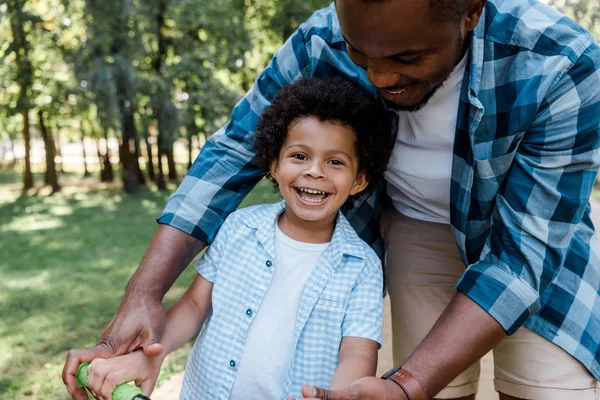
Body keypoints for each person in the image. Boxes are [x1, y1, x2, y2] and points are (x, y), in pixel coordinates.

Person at [64, 0, 600, 399]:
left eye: (406, 57)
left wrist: (405, 384)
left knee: (544, 385)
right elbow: (234, 148)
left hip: (530, 238)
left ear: (470, 14)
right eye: (360, 54)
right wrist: (145, 291)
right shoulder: (320, 38)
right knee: (443, 387)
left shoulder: (561, 64)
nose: (381, 76)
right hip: (417, 225)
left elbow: (521, 257)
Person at [67, 77, 393, 400]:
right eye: (299, 156)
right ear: (274, 165)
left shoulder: (362, 266)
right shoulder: (239, 227)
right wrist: (154, 353)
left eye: (335, 162)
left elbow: (356, 352)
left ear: (359, 179)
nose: (315, 171)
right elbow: (195, 305)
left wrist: (339, 395)